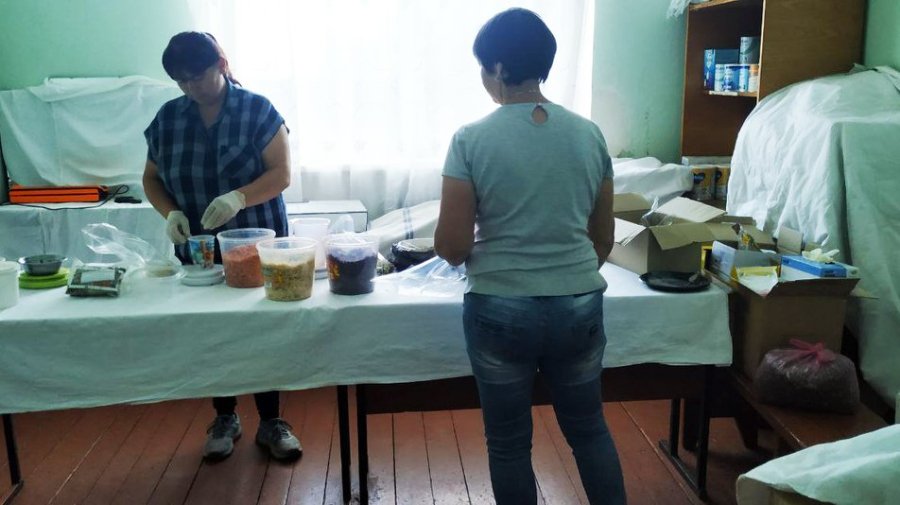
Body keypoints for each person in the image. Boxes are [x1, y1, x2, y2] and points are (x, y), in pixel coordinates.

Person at [434, 8, 626, 504]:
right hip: (579, 302)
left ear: (498, 68)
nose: (483, 77)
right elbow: (603, 239)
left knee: (508, 442)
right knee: (589, 429)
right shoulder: (589, 134)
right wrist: (563, 273)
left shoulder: (470, 139)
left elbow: (453, 247)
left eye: (483, 67)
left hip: (499, 306)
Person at [143, 31, 300, 462]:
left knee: (260, 329)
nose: (190, 87)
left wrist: (239, 198)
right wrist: (170, 213)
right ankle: (225, 416)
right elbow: (151, 178)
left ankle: (272, 420)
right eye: (180, 80)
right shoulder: (169, 118)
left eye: (197, 76)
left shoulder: (257, 110)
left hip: (254, 243)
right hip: (199, 249)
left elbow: (281, 173)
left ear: (221, 65)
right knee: (211, 331)